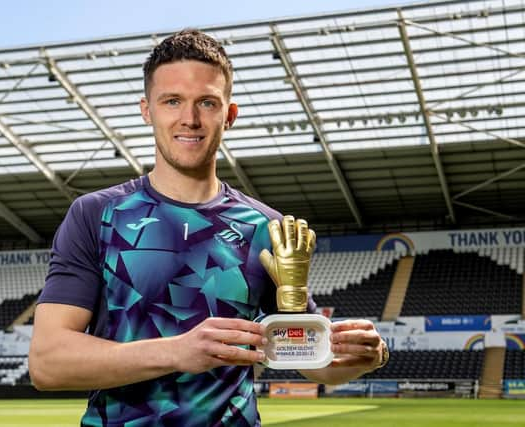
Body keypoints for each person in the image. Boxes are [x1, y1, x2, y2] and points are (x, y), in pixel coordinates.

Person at [29, 29, 388, 427]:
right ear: (147, 110)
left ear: (228, 114)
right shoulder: (96, 214)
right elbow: (48, 363)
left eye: (207, 102)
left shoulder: (265, 228)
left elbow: (312, 361)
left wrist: (362, 357)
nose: (190, 118)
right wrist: (177, 352)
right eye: (172, 101)